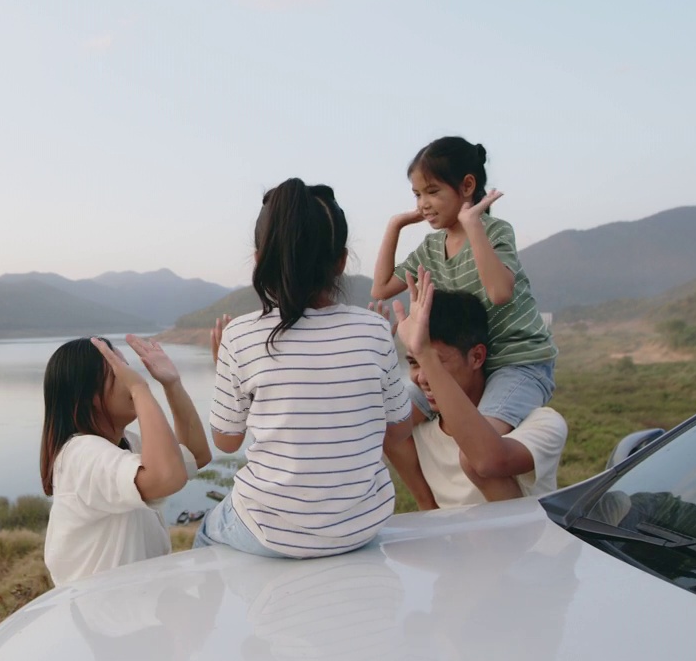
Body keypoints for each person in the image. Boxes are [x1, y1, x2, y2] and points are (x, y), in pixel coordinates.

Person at [198, 178, 413, 558]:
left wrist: (227, 372)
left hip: (269, 532)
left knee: (206, 535)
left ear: (259, 258)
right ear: (342, 261)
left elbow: (226, 441)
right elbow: (399, 431)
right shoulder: (375, 330)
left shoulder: (241, 336)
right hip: (362, 526)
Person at [370, 136, 558, 506]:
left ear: (467, 186)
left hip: (516, 363)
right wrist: (395, 225)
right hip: (468, 364)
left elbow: (500, 291)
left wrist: (473, 224)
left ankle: (513, 532)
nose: (423, 204)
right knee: (387, 426)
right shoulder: (430, 248)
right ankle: (430, 507)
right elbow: (380, 288)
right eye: (416, 195)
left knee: (479, 455)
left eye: (432, 191)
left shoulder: (494, 231)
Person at [41, 334, 211, 586]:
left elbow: (196, 456)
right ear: (88, 396)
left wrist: (172, 384)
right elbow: (164, 478)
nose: (131, 377)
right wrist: (140, 389)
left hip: (132, 607)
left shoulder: (127, 443)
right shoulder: (80, 455)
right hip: (102, 613)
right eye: (118, 373)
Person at [393, 273, 566, 507]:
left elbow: (484, 461)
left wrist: (423, 352)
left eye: (435, 361)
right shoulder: (416, 432)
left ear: (476, 357)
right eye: (414, 362)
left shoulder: (541, 424)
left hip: (523, 543)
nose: (422, 377)